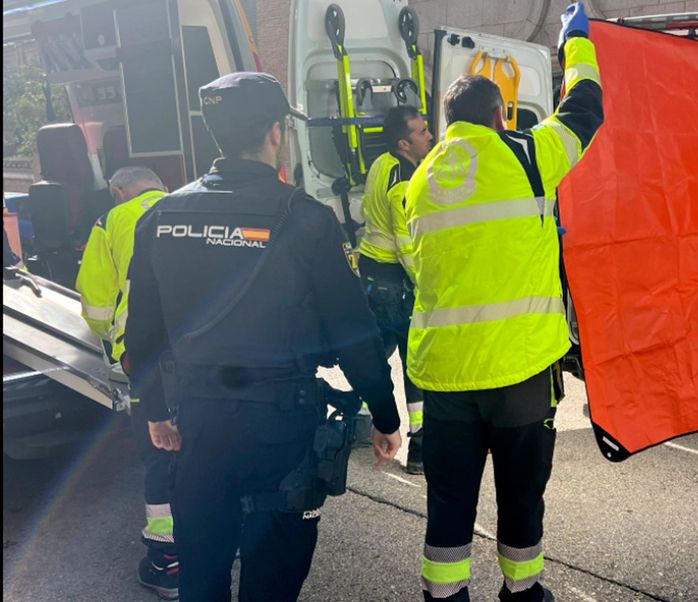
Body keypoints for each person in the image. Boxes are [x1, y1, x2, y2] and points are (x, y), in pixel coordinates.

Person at [124, 72, 401, 601]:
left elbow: (142, 331)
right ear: (277, 131)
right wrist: (385, 416)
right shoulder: (306, 218)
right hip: (282, 425)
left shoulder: (161, 216)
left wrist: (156, 410)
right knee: (273, 575)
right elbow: (354, 332)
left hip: (198, 423)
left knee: (201, 572)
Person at [404, 3, 602, 600]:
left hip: (443, 374)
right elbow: (586, 108)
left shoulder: (420, 180)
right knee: (520, 494)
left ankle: (443, 594)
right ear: (500, 114)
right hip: (518, 372)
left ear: (445, 123)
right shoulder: (525, 154)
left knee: (449, 498)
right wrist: (577, 44)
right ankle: (523, 592)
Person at [74, 166, 178, 598]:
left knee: (161, 452)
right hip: (208, 353)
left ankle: (167, 561)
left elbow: (96, 300)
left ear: (118, 192)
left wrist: (112, 344)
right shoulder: (190, 205)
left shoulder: (112, 220)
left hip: (149, 359)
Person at [357, 104, 434, 474]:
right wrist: (429, 284)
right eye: (422, 132)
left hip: (372, 276)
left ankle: (354, 417)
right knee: (415, 366)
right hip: (395, 284)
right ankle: (420, 448)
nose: (430, 135)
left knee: (372, 356)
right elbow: (407, 247)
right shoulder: (403, 183)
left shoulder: (381, 164)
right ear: (405, 143)